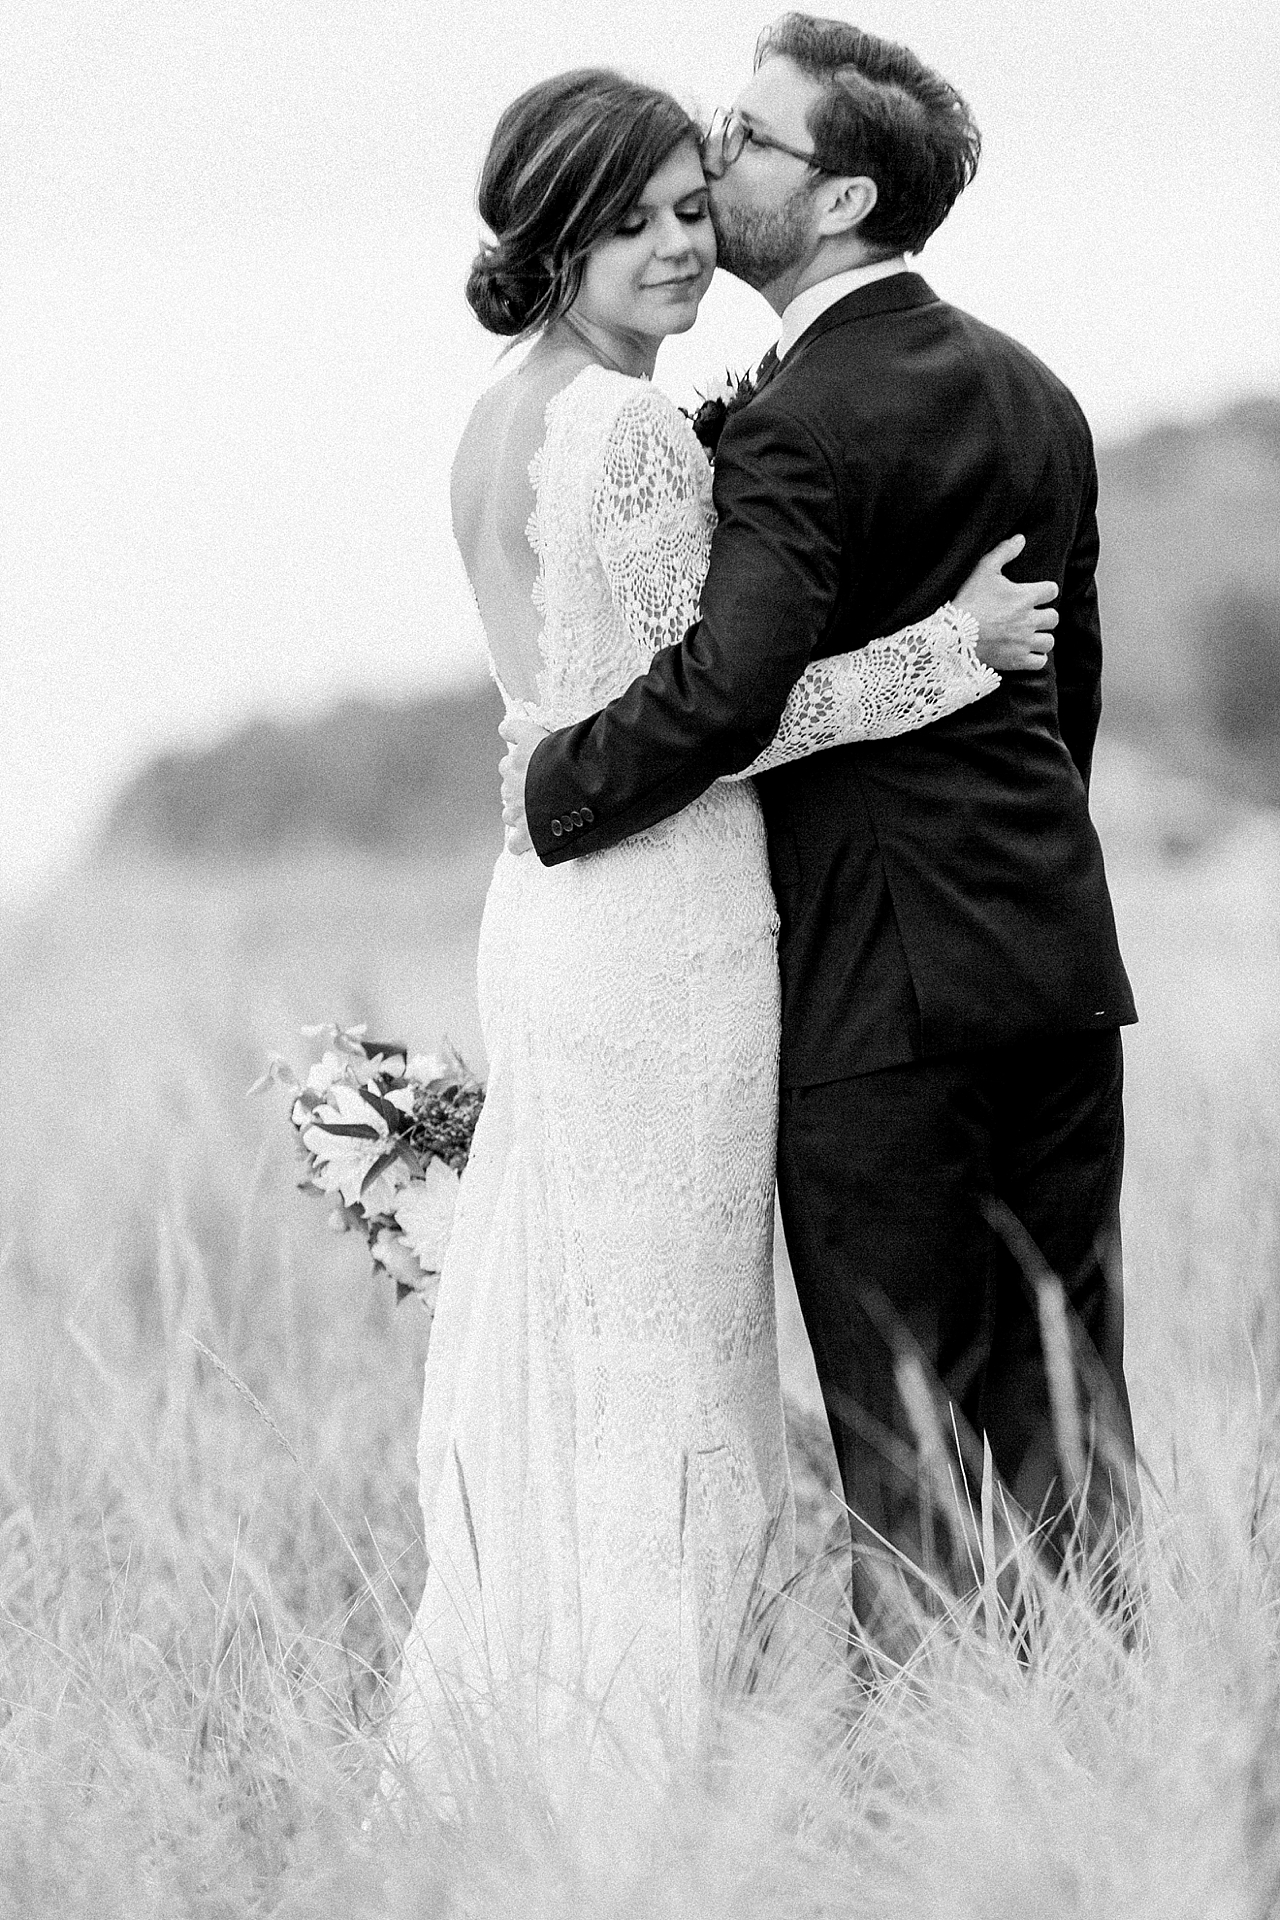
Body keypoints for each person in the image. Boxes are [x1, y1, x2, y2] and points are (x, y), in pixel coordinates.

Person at [387, 62, 1056, 1793]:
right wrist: (948, 654)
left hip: (550, 915)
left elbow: (569, 713)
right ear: (570, 229)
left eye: (703, 206)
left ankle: (546, 1761)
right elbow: (715, 713)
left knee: (599, 1346)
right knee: (679, 1369)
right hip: (666, 924)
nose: (691, 246)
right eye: (657, 219)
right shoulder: (623, 433)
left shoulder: (496, 417)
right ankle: (653, 1788)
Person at [500, 18, 1139, 1651]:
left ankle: (943, 1800)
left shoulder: (794, 422)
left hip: (875, 995)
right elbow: (1067, 704)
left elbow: (720, 693)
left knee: (905, 1429)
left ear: (841, 194)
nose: (712, 163)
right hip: (1056, 967)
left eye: (746, 140)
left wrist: (558, 787)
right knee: (1070, 1406)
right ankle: (1102, 1749)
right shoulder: (1039, 387)